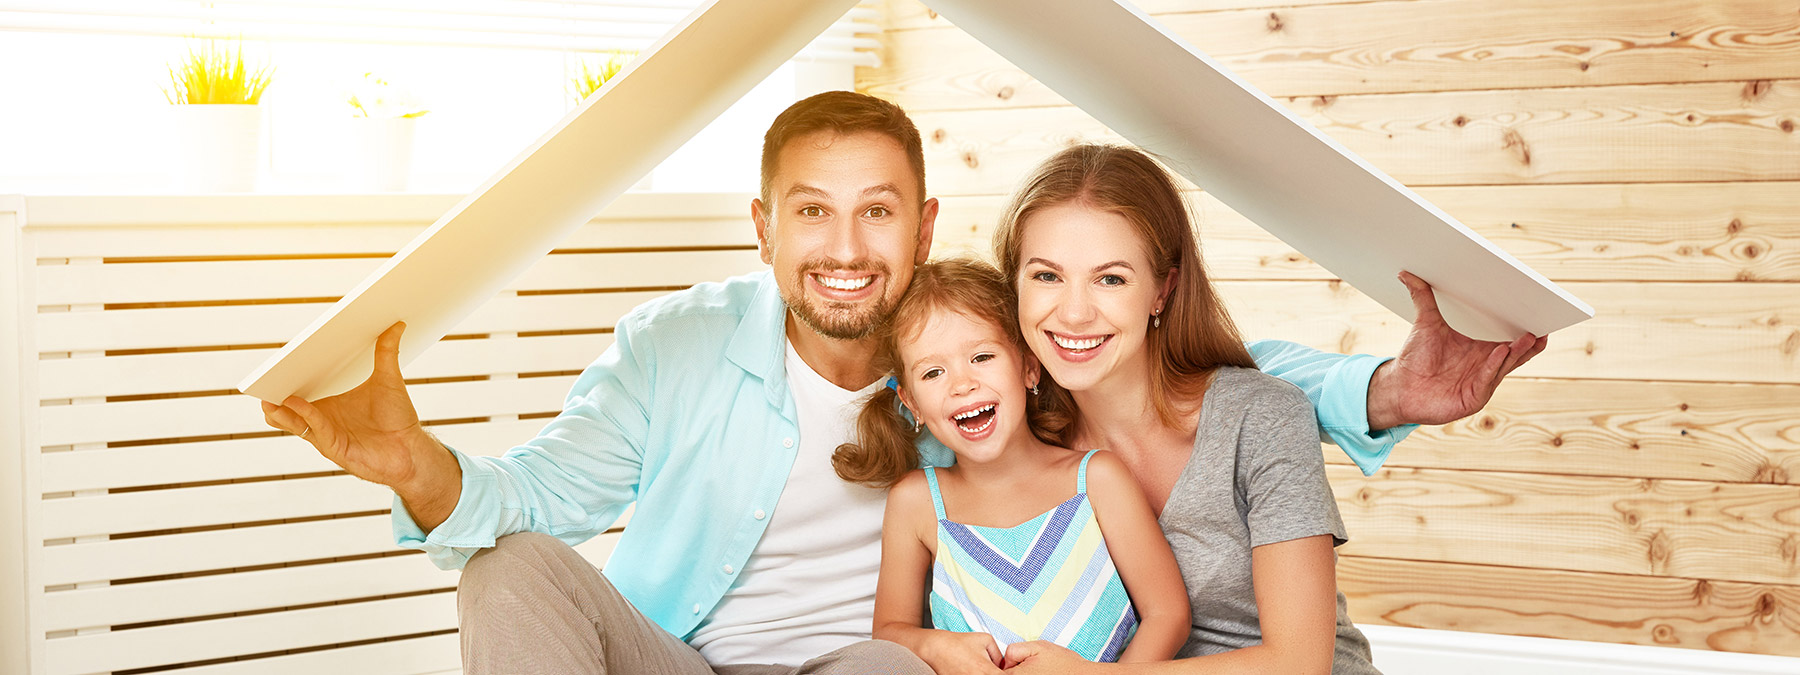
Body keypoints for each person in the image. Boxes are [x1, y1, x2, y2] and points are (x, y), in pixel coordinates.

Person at [255, 92, 1544, 673]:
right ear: (761, 227)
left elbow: (1203, 367)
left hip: (866, 673)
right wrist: (414, 465)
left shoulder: (987, 349)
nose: (845, 247)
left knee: (886, 670)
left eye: (877, 212)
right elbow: (535, 492)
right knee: (507, 571)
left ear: (925, 227)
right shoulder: (680, 345)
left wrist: (1380, 389)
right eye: (811, 214)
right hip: (687, 661)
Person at [992, 144, 1398, 673]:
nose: (1073, 312)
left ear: (1163, 289)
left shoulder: (1263, 417)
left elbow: (1299, 662)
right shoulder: (1015, 440)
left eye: (1110, 278)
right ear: (1014, 285)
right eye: (1046, 276)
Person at [834, 259, 1188, 670]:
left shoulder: (1096, 479)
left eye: (982, 357)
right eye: (933, 372)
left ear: (1029, 366)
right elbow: (890, 632)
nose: (962, 384)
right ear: (912, 403)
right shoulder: (917, 503)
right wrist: (933, 647)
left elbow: (1169, 614)